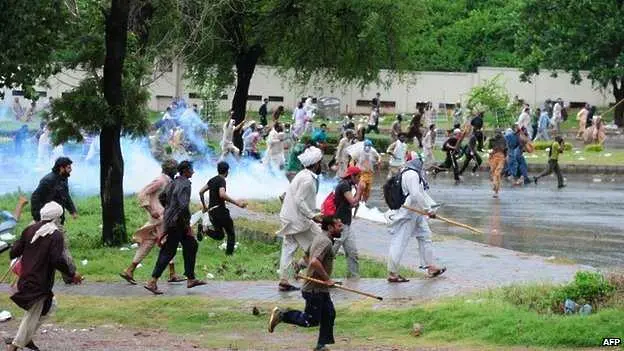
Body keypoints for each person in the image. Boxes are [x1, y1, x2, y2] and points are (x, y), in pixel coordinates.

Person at [6, 202, 83, 351]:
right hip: (39, 282)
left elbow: (13, 253)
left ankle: (25, 339)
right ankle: (15, 345)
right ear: (56, 218)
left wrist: (22, 243)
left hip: (27, 279)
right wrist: (72, 274)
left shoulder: (29, 230)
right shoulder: (55, 235)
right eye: (60, 218)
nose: (60, 221)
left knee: (49, 306)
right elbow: (56, 259)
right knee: (32, 314)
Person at [268, 216, 343, 351]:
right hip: (314, 290)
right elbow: (314, 261)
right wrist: (327, 279)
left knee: (329, 314)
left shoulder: (319, 238)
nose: (341, 227)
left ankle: (321, 346)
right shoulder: (325, 242)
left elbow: (307, 257)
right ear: (330, 227)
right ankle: (281, 315)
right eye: (338, 225)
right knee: (310, 320)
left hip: (321, 289)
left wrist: (298, 267)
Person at [145, 161, 205, 294]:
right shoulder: (185, 184)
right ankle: (152, 281)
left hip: (171, 219)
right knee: (169, 251)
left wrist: (169, 209)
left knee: (191, 245)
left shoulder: (173, 182)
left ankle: (191, 278)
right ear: (185, 170)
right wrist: (187, 224)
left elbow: (162, 197)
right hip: (178, 221)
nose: (193, 172)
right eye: (191, 169)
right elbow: (183, 206)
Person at [119, 160, 183, 285]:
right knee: (168, 243)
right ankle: (172, 273)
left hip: (161, 216)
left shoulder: (168, 181)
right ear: (170, 169)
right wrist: (150, 209)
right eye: (175, 169)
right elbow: (143, 193)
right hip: (159, 217)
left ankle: (129, 270)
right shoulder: (160, 181)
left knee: (148, 243)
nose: (176, 171)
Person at [387, 158, 446, 282]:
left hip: (417, 213)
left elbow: (422, 194)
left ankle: (430, 267)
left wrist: (431, 208)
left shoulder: (411, 173)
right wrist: (428, 210)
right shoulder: (412, 175)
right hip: (409, 214)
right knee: (399, 241)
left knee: (425, 236)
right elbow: (416, 194)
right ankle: (392, 273)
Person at [276, 146, 324, 291]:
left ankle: (286, 278)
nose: (321, 165)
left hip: (291, 217)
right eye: (320, 163)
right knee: (321, 243)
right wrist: (312, 215)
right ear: (315, 164)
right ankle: (317, 276)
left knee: (289, 248)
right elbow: (299, 200)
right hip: (298, 220)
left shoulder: (302, 174)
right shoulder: (308, 180)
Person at [30, 157, 77, 283]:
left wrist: (72, 210)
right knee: (61, 246)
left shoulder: (63, 180)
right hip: (47, 219)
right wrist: (38, 218)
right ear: (61, 167)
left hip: (57, 218)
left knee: (54, 248)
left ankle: (69, 276)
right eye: (68, 167)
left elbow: (66, 196)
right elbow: (35, 198)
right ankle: (71, 275)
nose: (70, 169)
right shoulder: (48, 180)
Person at [198, 161, 248, 255]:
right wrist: (237, 203)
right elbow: (222, 194)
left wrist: (205, 206)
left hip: (212, 211)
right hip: (220, 210)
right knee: (230, 233)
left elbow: (201, 192)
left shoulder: (212, 180)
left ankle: (204, 229)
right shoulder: (221, 180)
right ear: (227, 171)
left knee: (220, 235)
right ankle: (229, 254)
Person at [332, 167, 363, 278]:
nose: (360, 179)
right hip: (340, 224)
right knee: (330, 252)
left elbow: (351, 204)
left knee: (352, 252)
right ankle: (305, 267)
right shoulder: (344, 185)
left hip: (346, 224)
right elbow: (353, 202)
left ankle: (354, 277)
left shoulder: (348, 185)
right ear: (353, 176)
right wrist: (359, 190)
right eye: (359, 177)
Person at [349, 139, 381, 204]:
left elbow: (378, 157)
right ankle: (355, 201)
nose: (367, 147)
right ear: (364, 145)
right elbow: (352, 160)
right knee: (361, 187)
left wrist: (379, 161)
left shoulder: (373, 151)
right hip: (360, 172)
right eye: (366, 145)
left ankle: (363, 204)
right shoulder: (359, 151)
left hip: (369, 173)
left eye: (369, 146)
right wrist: (352, 168)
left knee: (367, 191)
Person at [488, 130, 507, 198]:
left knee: (497, 173)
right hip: (494, 156)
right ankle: (495, 187)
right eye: (496, 133)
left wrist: (506, 157)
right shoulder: (492, 140)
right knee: (494, 172)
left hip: (500, 157)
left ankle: (496, 189)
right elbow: (489, 148)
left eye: (498, 133)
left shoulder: (503, 140)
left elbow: (505, 149)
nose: (497, 134)